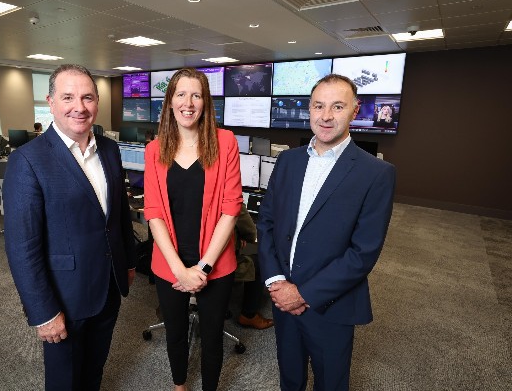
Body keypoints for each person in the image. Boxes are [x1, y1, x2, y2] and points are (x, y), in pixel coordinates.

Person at [257, 74, 396, 391]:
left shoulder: (376, 173)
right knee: (290, 378)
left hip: (331, 306)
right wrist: (276, 281)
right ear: (309, 109)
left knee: (331, 382)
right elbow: (266, 222)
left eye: (337, 106)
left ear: (355, 110)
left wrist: (302, 294)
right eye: (318, 106)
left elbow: (363, 253)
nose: (326, 116)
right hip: (282, 297)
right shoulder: (288, 161)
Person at [3, 64, 136, 391]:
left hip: (108, 285)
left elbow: (119, 213)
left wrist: (128, 261)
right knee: (65, 380)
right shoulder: (28, 160)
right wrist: (43, 312)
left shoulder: (109, 149)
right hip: (65, 295)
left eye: (87, 97)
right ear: (50, 102)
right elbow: (22, 248)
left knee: (94, 371)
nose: (80, 106)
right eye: (68, 97)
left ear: (97, 102)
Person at [143, 68, 242, 391]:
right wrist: (179, 270)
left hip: (215, 262)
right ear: (170, 102)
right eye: (181, 94)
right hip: (169, 262)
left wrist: (203, 267)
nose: (188, 103)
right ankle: (180, 386)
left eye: (196, 95)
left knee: (212, 335)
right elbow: (154, 213)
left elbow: (231, 208)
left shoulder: (225, 142)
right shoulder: (154, 149)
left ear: (205, 102)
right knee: (175, 332)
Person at [234, 204, 274, 330]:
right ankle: (248, 315)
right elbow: (251, 233)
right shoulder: (228, 196)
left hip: (187, 265)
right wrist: (239, 236)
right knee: (259, 263)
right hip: (218, 267)